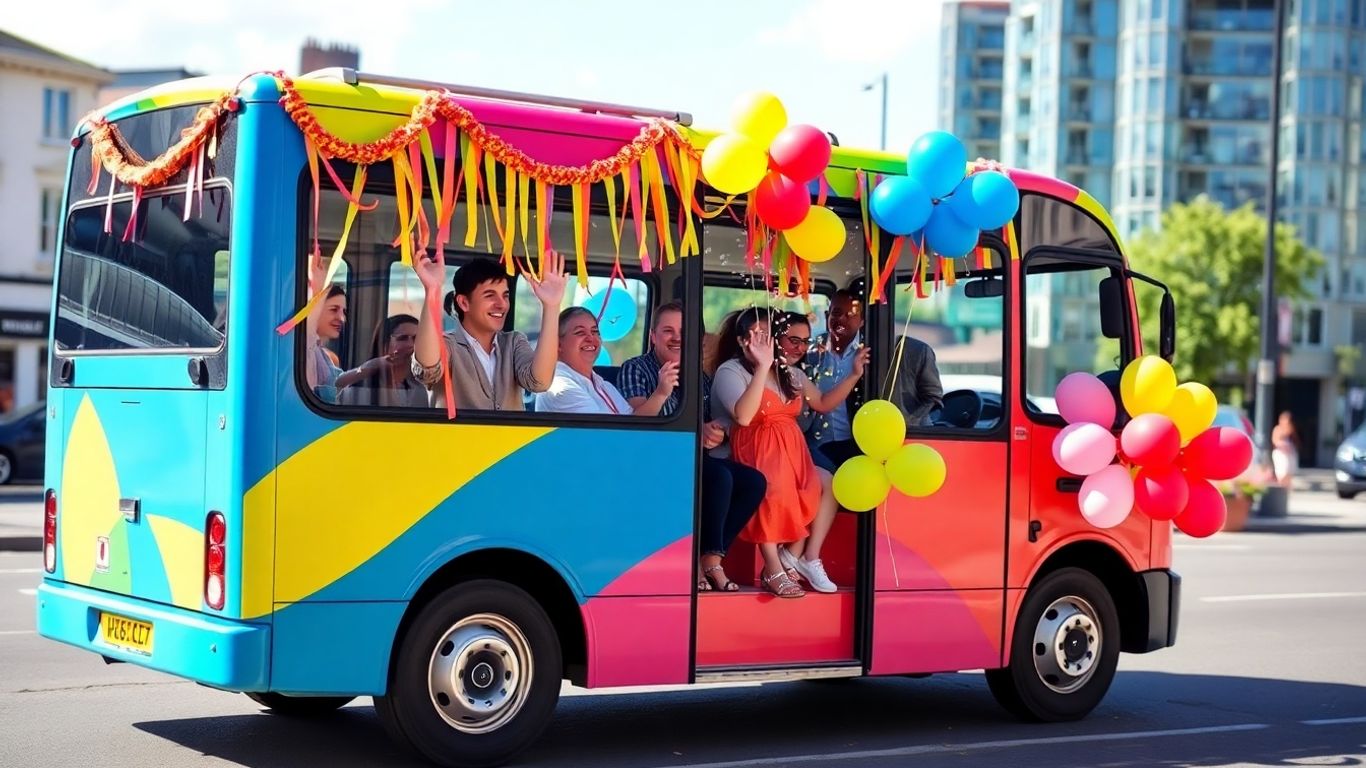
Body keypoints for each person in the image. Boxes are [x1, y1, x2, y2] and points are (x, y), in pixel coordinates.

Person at [712, 307, 866, 598]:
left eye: (768, 335)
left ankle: (803, 556)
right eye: (759, 336)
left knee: (825, 483)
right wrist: (761, 367)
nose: (764, 341)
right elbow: (743, 417)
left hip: (791, 448)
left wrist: (854, 375)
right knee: (773, 488)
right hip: (752, 447)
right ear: (744, 340)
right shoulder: (730, 371)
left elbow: (820, 402)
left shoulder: (789, 373)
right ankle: (773, 568)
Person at [618, 302, 764, 592]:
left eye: (683, 331)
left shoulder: (702, 378)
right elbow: (637, 423)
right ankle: (694, 563)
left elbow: (710, 426)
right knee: (718, 478)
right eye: (668, 330)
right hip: (650, 461)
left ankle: (711, 557)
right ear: (653, 336)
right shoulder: (634, 368)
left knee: (753, 482)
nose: (676, 337)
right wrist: (661, 392)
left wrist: (714, 434)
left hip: (693, 458)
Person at [410, 252, 567, 411]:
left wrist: (551, 306)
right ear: (464, 303)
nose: (501, 305)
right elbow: (427, 370)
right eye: (490, 295)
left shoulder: (514, 342)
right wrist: (432, 290)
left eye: (505, 296)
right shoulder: (447, 345)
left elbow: (540, 382)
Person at [536, 307, 677, 414]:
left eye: (595, 332)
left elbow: (633, 421)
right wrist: (661, 394)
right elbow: (607, 436)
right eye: (580, 332)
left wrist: (661, 393)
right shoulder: (560, 386)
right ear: (558, 344)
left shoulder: (602, 384)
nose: (591, 338)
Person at [803, 289, 869, 468]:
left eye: (851, 315)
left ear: (862, 321)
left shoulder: (869, 354)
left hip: (858, 446)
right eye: (837, 313)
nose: (842, 319)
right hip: (816, 446)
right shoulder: (810, 352)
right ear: (827, 315)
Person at [338, 314, 430, 408]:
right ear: (383, 344)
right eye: (402, 338)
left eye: (417, 338)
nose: (411, 344)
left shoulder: (419, 389)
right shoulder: (357, 390)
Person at [890, 335, 944, 429]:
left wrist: (909, 421)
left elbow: (933, 395)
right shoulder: (861, 351)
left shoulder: (919, 350)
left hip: (914, 433)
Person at [1271, 411, 1300, 488]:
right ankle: (1281, 487)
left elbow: (1295, 441)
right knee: (1282, 472)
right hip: (1281, 454)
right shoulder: (1277, 429)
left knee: (1289, 473)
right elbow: (1275, 441)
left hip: (1289, 454)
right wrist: (1284, 446)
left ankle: (1286, 488)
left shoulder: (1290, 430)